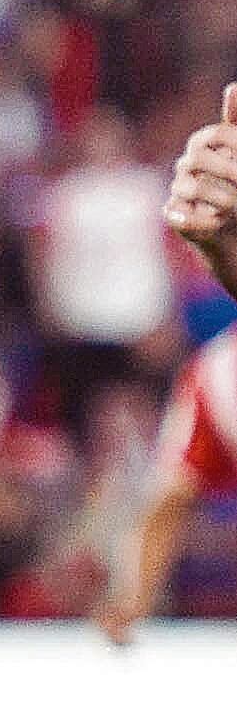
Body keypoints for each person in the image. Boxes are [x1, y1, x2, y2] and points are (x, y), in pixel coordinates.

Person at [109, 84, 237, 640]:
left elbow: (165, 503)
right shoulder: (218, 375)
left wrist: (126, 605)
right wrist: (129, 602)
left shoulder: (219, 373)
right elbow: (168, 501)